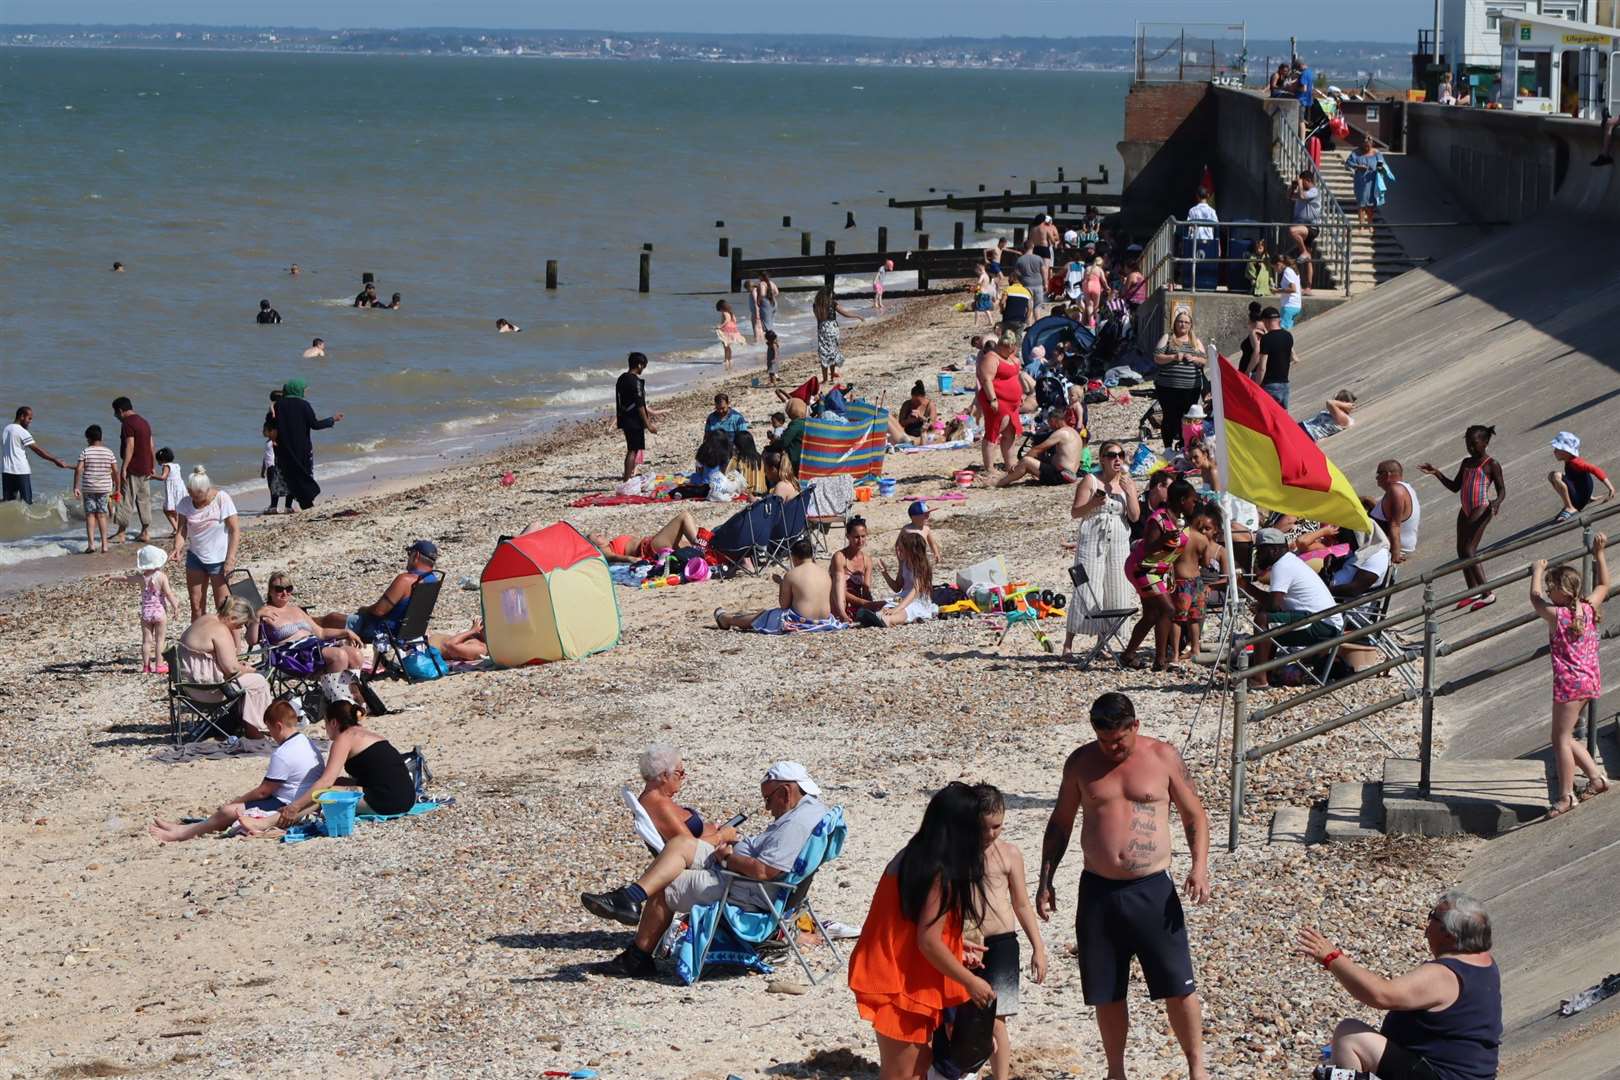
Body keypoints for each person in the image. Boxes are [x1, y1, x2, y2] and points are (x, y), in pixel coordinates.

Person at [1037, 693, 1211, 1080]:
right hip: (1098, 891)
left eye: (1119, 740)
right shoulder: (1081, 763)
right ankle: (1115, 1071)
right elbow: (1060, 824)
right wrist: (1045, 880)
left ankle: (1196, 1066)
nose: (1112, 748)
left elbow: (1194, 815)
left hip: (1152, 889)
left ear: (1135, 726)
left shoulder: (1162, 757)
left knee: (1178, 984)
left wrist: (1199, 867)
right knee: (1107, 991)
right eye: (1104, 741)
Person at [581, 761, 828, 977]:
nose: (767, 808)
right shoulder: (810, 811)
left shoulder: (796, 824)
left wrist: (729, 858)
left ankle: (637, 958)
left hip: (743, 887)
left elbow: (765, 872)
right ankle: (629, 898)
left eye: (768, 799)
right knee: (682, 844)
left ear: (785, 791)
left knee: (666, 883)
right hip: (739, 876)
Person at [847, 782, 995, 1079]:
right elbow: (927, 940)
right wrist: (970, 982)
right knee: (903, 1072)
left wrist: (955, 943)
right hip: (899, 982)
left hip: (897, 973)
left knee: (915, 1067)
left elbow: (910, 923)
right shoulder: (937, 870)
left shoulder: (915, 856)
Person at [1300, 890, 1501, 1080]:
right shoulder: (1484, 963)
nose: (1427, 924)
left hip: (1442, 1075)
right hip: (1464, 1073)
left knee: (1350, 1035)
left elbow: (1380, 994)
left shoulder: (1445, 975)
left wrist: (1332, 957)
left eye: (1433, 917)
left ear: (1448, 934)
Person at [149, 700, 322, 842]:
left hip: (285, 802)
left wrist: (236, 801)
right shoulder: (307, 742)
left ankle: (182, 834)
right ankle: (184, 828)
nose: (270, 735)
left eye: (269, 729)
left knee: (228, 811)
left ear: (278, 726)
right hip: (302, 798)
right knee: (231, 810)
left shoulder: (284, 753)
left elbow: (263, 792)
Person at [1530, 538, 1612, 817]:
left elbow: (1534, 599)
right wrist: (1599, 554)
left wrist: (1537, 572)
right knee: (1564, 735)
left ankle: (1565, 797)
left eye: (1552, 590)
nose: (1549, 594)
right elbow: (1604, 585)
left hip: (1568, 685)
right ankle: (1597, 778)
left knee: (1561, 740)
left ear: (1562, 592)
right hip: (1590, 680)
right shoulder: (1588, 608)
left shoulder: (1557, 615)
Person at [971, 783, 1047, 1080]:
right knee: (965, 1013)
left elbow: (1022, 904)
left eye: (997, 827)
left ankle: (1000, 1076)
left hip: (1002, 942)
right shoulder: (957, 853)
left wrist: (1037, 948)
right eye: (984, 828)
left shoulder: (1010, 854)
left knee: (996, 1017)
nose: (990, 834)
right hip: (967, 942)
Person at [261, 700, 415, 829]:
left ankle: (271, 822)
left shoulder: (344, 739)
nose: (324, 728)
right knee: (338, 782)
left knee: (324, 794)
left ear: (334, 722)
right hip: (407, 795)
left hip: (389, 800)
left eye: (326, 723)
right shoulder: (367, 734)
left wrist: (295, 805)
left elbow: (325, 782)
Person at [1063, 440, 1139, 658]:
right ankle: (1069, 643)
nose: (1117, 458)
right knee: (1087, 587)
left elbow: (1134, 516)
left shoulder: (1126, 484)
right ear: (1102, 459)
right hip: (1093, 537)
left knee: (1115, 586)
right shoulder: (1091, 480)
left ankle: (1103, 641)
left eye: (1120, 454)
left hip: (1118, 540)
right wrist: (1093, 504)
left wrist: (1131, 492)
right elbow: (1076, 512)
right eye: (1111, 454)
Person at [1242, 528, 1343, 688]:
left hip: (1322, 624)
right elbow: (1276, 603)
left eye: (1260, 551)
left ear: (1273, 550)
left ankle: (1259, 678)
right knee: (1272, 620)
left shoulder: (1282, 565)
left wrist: (1246, 587)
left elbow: (1274, 605)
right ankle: (1264, 673)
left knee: (1263, 619)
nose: (1258, 556)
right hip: (1325, 622)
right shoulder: (1289, 561)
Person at [1420, 424, 1506, 610]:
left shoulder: (1492, 464)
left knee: (1469, 550)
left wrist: (1497, 502)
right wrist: (1437, 473)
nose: (1471, 448)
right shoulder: (1466, 463)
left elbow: (1502, 490)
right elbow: (1454, 487)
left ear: (1485, 442)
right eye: (1468, 444)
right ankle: (1472, 590)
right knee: (1461, 551)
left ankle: (1488, 593)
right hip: (1465, 508)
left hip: (1481, 507)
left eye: (1474, 444)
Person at [174, 595, 275, 738]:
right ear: (232, 618)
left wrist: (239, 666)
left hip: (187, 684)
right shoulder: (220, 630)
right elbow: (231, 670)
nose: (239, 628)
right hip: (206, 690)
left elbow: (217, 661)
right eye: (240, 625)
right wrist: (248, 669)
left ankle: (246, 725)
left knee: (250, 680)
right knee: (258, 682)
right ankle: (256, 732)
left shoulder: (206, 619)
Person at [1121, 479, 1196, 670]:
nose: (1194, 504)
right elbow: (1147, 549)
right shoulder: (1159, 519)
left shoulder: (1183, 520)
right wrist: (1163, 539)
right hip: (1142, 568)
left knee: (1151, 615)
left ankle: (1128, 654)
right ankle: (1160, 659)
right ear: (1181, 500)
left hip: (1160, 570)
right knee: (1168, 610)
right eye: (1192, 500)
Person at [317, 540, 441, 639]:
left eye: (410, 554)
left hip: (384, 631)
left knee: (332, 619)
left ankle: (303, 623)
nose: (408, 559)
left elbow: (379, 611)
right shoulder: (433, 581)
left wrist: (364, 609)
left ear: (416, 556)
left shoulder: (406, 580)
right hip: (410, 632)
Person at [255, 570, 366, 678]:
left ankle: (352, 692)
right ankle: (335, 695)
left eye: (288, 589)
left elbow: (321, 632)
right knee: (339, 656)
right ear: (270, 591)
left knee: (355, 655)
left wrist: (346, 632)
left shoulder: (296, 609)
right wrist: (256, 616)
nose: (284, 593)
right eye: (279, 589)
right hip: (293, 656)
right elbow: (252, 640)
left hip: (315, 646)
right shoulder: (265, 612)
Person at [714, 539, 840, 633]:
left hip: (801, 620)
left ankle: (727, 619)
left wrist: (782, 584)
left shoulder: (792, 575)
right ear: (811, 555)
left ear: (794, 557)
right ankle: (728, 618)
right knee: (764, 614)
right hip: (824, 620)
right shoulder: (824, 573)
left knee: (763, 616)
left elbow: (784, 605)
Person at [629, 742, 736, 846]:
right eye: (680, 773)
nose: (683, 777)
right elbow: (689, 848)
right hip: (711, 857)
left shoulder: (650, 798)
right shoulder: (661, 807)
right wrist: (721, 836)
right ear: (665, 776)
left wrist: (714, 829)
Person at [171, 466, 240, 622]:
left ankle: (232, 646)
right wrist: (177, 548)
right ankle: (199, 643)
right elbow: (182, 530)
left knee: (224, 608)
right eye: (193, 495)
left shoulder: (222, 498)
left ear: (208, 489)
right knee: (196, 607)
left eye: (200, 496)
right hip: (195, 559)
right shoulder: (185, 502)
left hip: (219, 561)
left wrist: (231, 559)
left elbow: (235, 530)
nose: (196, 500)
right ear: (188, 490)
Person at [273, 379, 343, 511]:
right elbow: (315, 425)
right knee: (303, 473)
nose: (305, 392)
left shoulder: (278, 405)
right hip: (302, 448)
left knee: (291, 475)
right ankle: (306, 502)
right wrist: (332, 419)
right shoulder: (304, 405)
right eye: (304, 390)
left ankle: (303, 503)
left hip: (284, 448)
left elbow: (271, 425)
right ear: (297, 390)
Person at [1169, 503, 1226, 662]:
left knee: (1178, 619)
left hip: (1181, 581)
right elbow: (1207, 562)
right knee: (1195, 617)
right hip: (1197, 581)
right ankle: (1195, 649)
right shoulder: (1203, 540)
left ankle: (1174, 655)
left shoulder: (1181, 535)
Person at [1152, 310, 1206, 451]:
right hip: (1168, 386)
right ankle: (1168, 448)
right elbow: (1157, 357)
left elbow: (1204, 360)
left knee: (1188, 418)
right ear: (1175, 323)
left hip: (1191, 387)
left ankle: (1185, 446)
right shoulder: (1168, 337)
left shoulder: (1195, 341)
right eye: (1180, 321)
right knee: (1170, 417)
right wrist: (1173, 357)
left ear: (1190, 325)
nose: (1183, 324)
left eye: (1186, 322)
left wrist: (1194, 358)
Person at [995, 408, 1082, 487]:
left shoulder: (1061, 433)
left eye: (1050, 423)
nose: (1050, 427)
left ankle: (1000, 482)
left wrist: (1019, 463)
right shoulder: (1074, 432)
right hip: (1072, 475)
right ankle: (1006, 477)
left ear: (1054, 421)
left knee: (1026, 461)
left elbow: (1037, 449)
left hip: (1061, 476)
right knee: (1041, 458)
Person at [976, 332, 1024, 473]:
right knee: (994, 432)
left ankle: (1010, 465)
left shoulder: (1013, 358)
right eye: (1009, 348)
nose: (1011, 350)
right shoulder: (991, 358)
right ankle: (989, 468)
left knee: (1010, 432)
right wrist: (993, 399)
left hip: (1012, 403)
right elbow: (986, 380)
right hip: (997, 400)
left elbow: (1016, 377)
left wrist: (1020, 395)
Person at [2, 406, 69, 504]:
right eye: (29, 418)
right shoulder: (22, 431)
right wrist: (55, 460)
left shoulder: (6, 429)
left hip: (6, 471)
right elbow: (38, 450)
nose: (30, 421)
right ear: (22, 416)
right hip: (21, 471)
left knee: (8, 503)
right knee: (27, 503)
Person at [112, 396, 154, 543]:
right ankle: (145, 532)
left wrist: (124, 467)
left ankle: (121, 533)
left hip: (133, 467)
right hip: (146, 467)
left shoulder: (127, 423)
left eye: (115, 413)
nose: (115, 416)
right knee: (144, 500)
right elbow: (151, 445)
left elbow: (130, 445)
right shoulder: (144, 422)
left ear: (120, 410)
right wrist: (152, 464)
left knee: (126, 499)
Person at [72, 424, 120, 555]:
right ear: (101, 437)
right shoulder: (109, 452)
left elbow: (79, 469)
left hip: (89, 488)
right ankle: (105, 545)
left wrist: (76, 486)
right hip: (104, 488)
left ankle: (91, 544)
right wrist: (118, 488)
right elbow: (115, 471)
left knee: (90, 515)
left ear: (88, 439)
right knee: (102, 515)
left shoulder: (86, 451)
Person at [585, 513, 703, 565]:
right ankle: (702, 545)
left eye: (598, 533)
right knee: (684, 517)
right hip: (648, 549)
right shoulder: (604, 551)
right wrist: (631, 559)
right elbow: (613, 557)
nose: (599, 534)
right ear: (594, 546)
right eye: (596, 536)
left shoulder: (612, 544)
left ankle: (705, 548)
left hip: (651, 545)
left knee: (691, 547)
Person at [1547, 430, 1614, 523]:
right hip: (1581, 496)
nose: (1554, 452)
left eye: (1557, 449)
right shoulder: (1570, 461)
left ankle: (1570, 507)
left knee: (1555, 476)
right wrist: (1589, 497)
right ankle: (1574, 503)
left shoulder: (1576, 462)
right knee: (1551, 476)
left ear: (1566, 451)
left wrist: (1611, 488)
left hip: (1580, 498)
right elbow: (1577, 479)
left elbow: (1595, 469)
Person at [133, 545, 178, 675]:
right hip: (160, 613)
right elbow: (168, 594)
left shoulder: (142, 578)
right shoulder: (162, 577)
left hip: (146, 614)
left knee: (146, 641)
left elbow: (127, 579)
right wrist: (175, 606)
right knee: (160, 640)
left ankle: (146, 667)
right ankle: (159, 665)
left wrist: (112, 578)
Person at [879, 529, 937, 627]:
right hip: (903, 598)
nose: (898, 551)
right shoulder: (904, 563)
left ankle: (890, 620)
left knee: (906, 611)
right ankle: (880, 618)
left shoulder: (921, 568)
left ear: (911, 551)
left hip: (918, 601)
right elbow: (897, 587)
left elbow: (915, 592)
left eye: (901, 549)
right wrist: (885, 573)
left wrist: (896, 609)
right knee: (885, 606)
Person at [830, 516, 881, 623]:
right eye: (856, 537)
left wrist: (870, 603)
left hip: (857, 601)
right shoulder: (840, 557)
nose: (860, 540)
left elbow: (866, 589)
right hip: (837, 600)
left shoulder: (867, 560)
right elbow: (838, 590)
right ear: (848, 536)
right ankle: (843, 615)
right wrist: (863, 603)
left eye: (863, 536)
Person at [615, 351, 656, 482]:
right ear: (639, 365)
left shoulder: (621, 378)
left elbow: (620, 399)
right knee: (632, 450)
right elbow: (640, 404)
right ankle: (627, 480)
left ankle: (628, 478)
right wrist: (648, 424)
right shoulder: (636, 381)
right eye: (643, 366)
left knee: (631, 448)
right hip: (634, 419)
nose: (643, 369)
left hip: (624, 417)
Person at [1373, 459, 1422, 564]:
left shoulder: (1396, 490)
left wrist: (1395, 553)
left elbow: (1395, 524)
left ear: (1387, 474)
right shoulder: (1404, 487)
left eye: (1378, 473)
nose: (1376, 477)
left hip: (1394, 546)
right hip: (1395, 541)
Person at [1250, 306, 1299, 409]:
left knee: (1269, 417)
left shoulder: (1267, 339)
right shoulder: (1288, 336)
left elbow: (1262, 367)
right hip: (1285, 384)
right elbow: (1291, 357)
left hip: (1270, 385)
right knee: (1282, 417)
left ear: (1266, 321)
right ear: (1278, 320)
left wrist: (1257, 386)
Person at [813, 285, 865, 381]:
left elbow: (818, 320)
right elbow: (845, 313)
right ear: (829, 294)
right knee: (833, 352)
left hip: (822, 329)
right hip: (832, 328)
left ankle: (825, 379)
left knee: (823, 353)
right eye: (832, 293)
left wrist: (819, 332)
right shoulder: (832, 303)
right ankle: (832, 377)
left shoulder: (816, 305)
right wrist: (857, 316)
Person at [1288, 170, 1321, 297]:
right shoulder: (1302, 191)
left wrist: (1300, 186)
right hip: (1302, 226)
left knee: (1292, 231)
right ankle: (1308, 287)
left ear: (1307, 181)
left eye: (1302, 181)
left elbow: (1302, 196)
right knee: (1308, 261)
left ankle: (1304, 252)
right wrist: (1293, 186)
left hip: (1311, 227)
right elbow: (1290, 197)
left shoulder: (1314, 191)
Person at [1346, 135, 1388, 229]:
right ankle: (1361, 224)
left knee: (1371, 203)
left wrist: (1379, 168)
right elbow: (1348, 163)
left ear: (1372, 144)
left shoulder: (1377, 153)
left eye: (1368, 146)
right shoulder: (1356, 153)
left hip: (1372, 181)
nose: (1367, 148)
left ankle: (1370, 224)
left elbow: (1381, 165)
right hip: (1360, 181)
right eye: (1365, 146)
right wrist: (1358, 166)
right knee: (1361, 202)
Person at [1185, 188, 1219, 291]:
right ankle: (1207, 284)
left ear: (1197, 196)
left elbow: (1188, 226)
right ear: (1208, 197)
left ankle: (1194, 284)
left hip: (1195, 240)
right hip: (1209, 241)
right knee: (1207, 263)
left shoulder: (1192, 210)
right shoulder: (1212, 211)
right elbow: (1217, 225)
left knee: (1195, 262)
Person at [1012, 240, 1046, 320]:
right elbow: (1044, 272)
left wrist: (1022, 278)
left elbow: (1016, 273)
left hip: (1026, 284)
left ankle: (1028, 326)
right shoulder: (1038, 258)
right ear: (1033, 246)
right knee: (1037, 306)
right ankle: (1037, 325)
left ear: (1024, 248)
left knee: (1028, 307)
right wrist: (1046, 283)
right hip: (1038, 284)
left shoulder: (1020, 259)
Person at [902, 500, 944, 564]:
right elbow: (899, 545)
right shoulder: (906, 530)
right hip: (909, 561)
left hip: (922, 559)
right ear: (914, 517)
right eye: (925, 515)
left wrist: (936, 553)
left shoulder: (926, 529)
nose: (928, 516)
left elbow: (932, 543)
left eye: (928, 514)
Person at [155, 446, 184, 538]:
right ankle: (178, 528)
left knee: (166, 509)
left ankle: (176, 529)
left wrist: (152, 476)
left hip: (172, 490)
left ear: (162, 460)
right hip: (180, 489)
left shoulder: (166, 466)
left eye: (158, 460)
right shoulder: (176, 465)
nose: (158, 462)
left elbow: (163, 477)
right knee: (175, 509)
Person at [260, 420, 285, 514]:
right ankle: (272, 505)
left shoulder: (274, 442)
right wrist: (263, 470)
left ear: (271, 431)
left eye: (264, 430)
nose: (262, 431)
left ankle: (274, 507)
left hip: (274, 467)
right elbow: (265, 457)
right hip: (269, 467)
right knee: (271, 487)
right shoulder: (267, 442)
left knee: (274, 487)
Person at [778, 398, 809, 473]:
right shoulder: (808, 422)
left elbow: (784, 442)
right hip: (808, 458)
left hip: (796, 459)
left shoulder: (796, 424)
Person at [714, 299, 744, 373]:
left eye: (719, 309)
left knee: (725, 345)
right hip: (732, 330)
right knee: (728, 346)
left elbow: (726, 320)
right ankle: (729, 358)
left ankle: (726, 359)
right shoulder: (731, 313)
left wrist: (720, 326)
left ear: (721, 308)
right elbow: (735, 320)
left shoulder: (724, 313)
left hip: (726, 330)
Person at [1276, 253, 1304, 330]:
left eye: (1274, 268)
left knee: (1283, 332)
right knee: (1289, 330)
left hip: (1289, 306)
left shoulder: (1287, 271)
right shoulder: (1293, 270)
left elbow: (1293, 289)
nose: (1275, 270)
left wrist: (1277, 290)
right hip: (1296, 305)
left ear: (1278, 264)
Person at [973, 261, 996, 327]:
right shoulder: (987, 276)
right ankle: (990, 321)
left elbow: (979, 283)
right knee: (986, 308)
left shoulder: (982, 275)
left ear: (979, 270)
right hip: (986, 293)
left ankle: (976, 323)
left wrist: (975, 287)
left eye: (977, 271)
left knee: (977, 309)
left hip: (981, 293)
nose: (977, 273)